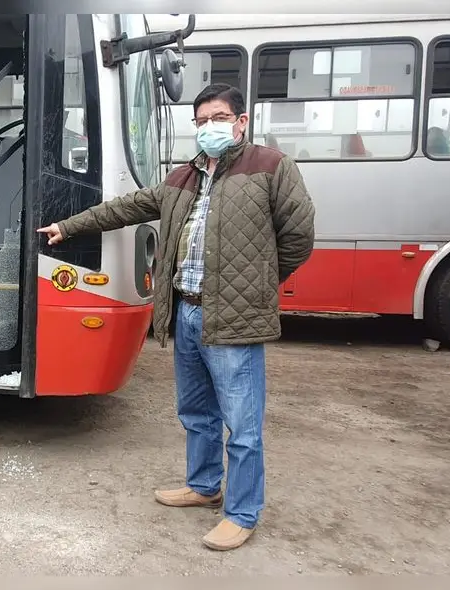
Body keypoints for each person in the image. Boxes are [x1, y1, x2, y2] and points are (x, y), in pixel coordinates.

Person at [38, 83, 315, 551]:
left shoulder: (271, 167)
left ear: (241, 122)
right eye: (203, 120)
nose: (211, 127)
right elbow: (126, 207)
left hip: (234, 318)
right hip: (186, 311)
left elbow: (299, 235)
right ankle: (204, 485)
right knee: (196, 413)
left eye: (220, 117)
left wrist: (258, 280)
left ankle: (242, 513)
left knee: (242, 426)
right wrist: (68, 226)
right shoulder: (183, 177)